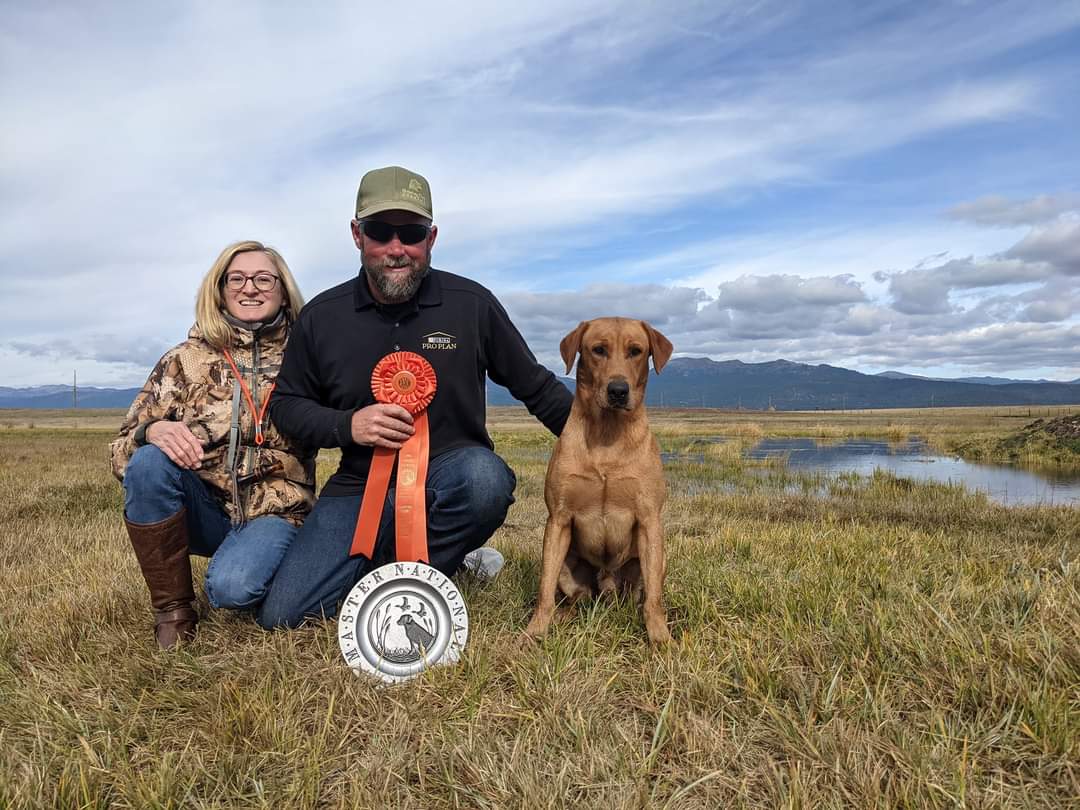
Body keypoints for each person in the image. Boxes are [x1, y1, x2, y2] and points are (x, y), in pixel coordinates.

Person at [257, 165, 573, 629]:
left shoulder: (473, 305)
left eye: (412, 232)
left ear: (432, 237)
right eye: (380, 232)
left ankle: (418, 562)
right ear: (356, 235)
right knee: (283, 615)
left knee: (484, 480)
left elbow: (537, 388)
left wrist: (614, 446)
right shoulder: (322, 317)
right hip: (358, 488)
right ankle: (423, 568)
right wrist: (348, 426)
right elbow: (286, 405)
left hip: (449, 480)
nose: (396, 248)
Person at [110, 240, 316, 648]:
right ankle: (174, 614)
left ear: (283, 289)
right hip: (204, 510)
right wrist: (147, 432)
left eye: (263, 278)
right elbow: (119, 454)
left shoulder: (309, 355)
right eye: (236, 278)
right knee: (150, 463)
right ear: (219, 289)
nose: (250, 288)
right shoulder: (184, 360)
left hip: (275, 515)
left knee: (231, 590)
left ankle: (279, 565)